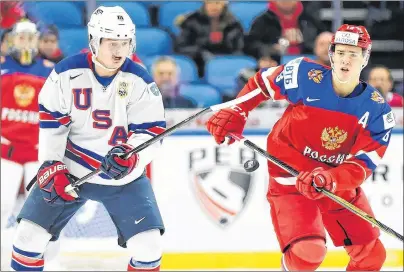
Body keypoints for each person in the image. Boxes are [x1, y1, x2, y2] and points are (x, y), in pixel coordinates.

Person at [206, 24, 395, 271]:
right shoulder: (305, 75)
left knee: (371, 257)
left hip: (332, 182)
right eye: (340, 53)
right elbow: (263, 82)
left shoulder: (378, 111)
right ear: (331, 54)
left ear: (365, 58)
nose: (345, 60)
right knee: (308, 253)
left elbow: (363, 165)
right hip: (290, 175)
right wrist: (238, 110)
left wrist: (331, 178)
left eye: (353, 54)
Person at [10, 6, 166, 272]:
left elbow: (151, 133)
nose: (119, 51)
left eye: (125, 43)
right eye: (112, 43)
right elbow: (52, 127)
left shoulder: (140, 80)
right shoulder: (65, 74)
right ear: (94, 41)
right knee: (27, 237)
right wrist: (51, 165)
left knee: (149, 247)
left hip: (122, 176)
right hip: (72, 168)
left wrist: (133, 156)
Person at [1, 20, 53, 230]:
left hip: (38, 151)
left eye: (30, 38)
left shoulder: (51, 71)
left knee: (42, 208)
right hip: (5, 149)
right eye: (21, 37)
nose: (26, 43)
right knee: (2, 203)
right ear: (12, 39)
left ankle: (42, 257)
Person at [175, 0, 244, 76]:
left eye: (217, 3)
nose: (213, 6)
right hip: (198, 64)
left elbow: (239, 49)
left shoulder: (233, 24)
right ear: (204, 4)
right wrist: (200, 53)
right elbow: (180, 46)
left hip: (225, 65)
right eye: (209, 2)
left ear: (224, 5)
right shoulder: (191, 21)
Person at [245, 0, 325, 60]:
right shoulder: (262, 21)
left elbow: (322, 41)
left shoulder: (310, 20)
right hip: (275, 67)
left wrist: (304, 42)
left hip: (307, 65)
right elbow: (249, 46)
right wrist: (272, 49)